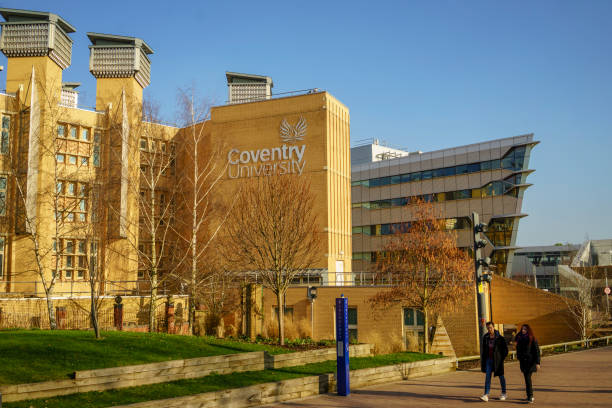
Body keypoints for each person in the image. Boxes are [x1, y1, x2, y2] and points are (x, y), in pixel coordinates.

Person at [480, 321, 508, 402]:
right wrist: (484, 360)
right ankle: (486, 394)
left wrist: (501, 358)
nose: (489, 329)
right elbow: (484, 350)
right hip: (488, 360)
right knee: (487, 377)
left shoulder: (500, 338)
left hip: (498, 361)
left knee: (501, 376)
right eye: (488, 328)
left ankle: (504, 393)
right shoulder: (485, 337)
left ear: (494, 327)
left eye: (490, 327)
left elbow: (505, 350)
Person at [515, 324, 541, 403]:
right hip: (523, 362)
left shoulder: (532, 339)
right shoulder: (519, 338)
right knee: (526, 379)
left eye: (525, 329)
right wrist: (519, 357)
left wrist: (537, 363)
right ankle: (529, 395)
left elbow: (536, 351)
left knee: (527, 378)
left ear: (528, 330)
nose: (523, 330)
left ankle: (530, 396)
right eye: (522, 329)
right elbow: (518, 350)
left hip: (530, 362)